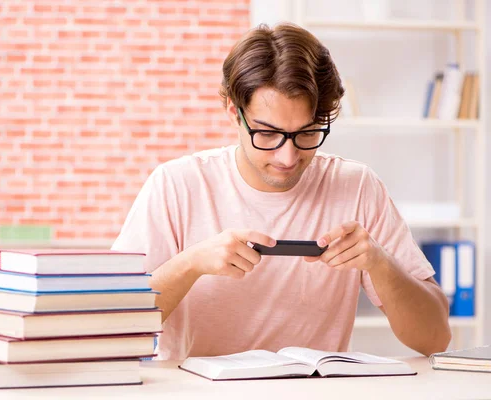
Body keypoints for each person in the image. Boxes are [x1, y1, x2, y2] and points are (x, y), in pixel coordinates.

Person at [112, 23, 451, 360]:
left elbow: (435, 339)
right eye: (268, 134)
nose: (287, 157)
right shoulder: (176, 185)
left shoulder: (357, 186)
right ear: (234, 113)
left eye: (306, 133)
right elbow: (114, 327)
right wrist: (189, 264)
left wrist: (380, 264)